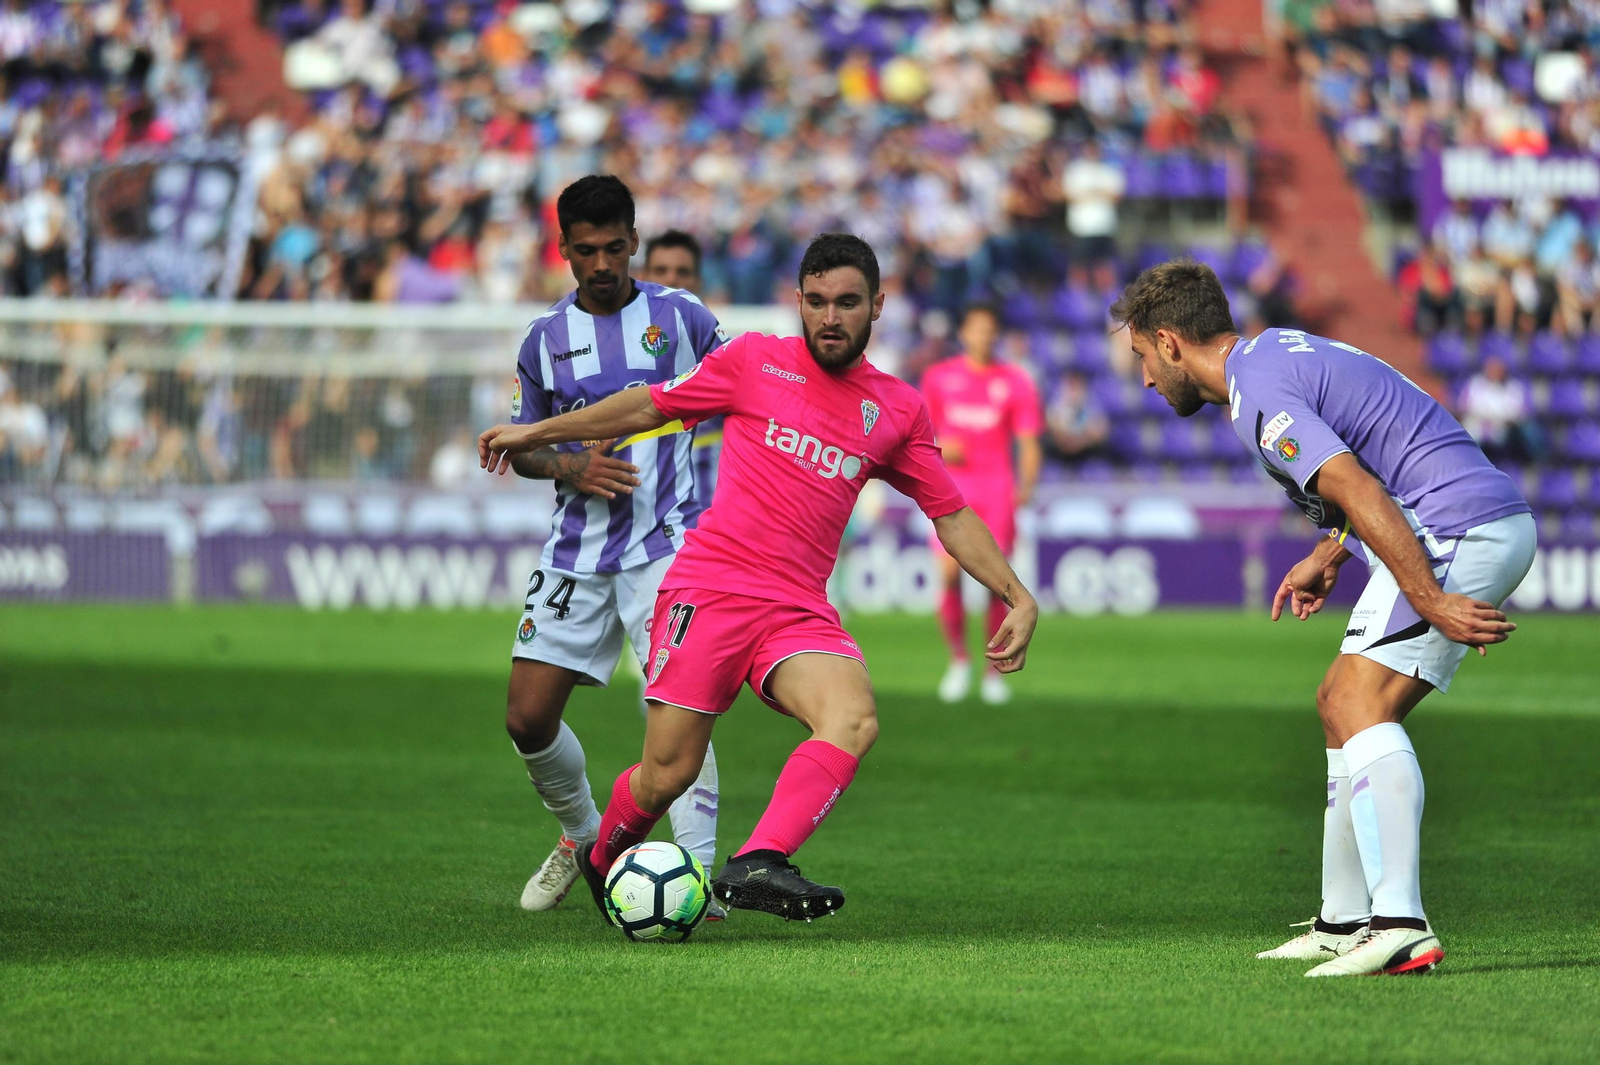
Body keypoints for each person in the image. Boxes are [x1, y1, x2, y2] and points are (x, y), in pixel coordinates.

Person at [479, 234, 1038, 921]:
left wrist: (1015, 592)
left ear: (878, 306)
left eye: (848, 303)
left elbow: (948, 513)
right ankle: (601, 857)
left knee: (852, 715)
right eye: (818, 301)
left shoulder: (897, 409)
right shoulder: (751, 362)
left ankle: (759, 858)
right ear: (797, 301)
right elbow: (648, 404)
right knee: (667, 773)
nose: (831, 317)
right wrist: (535, 434)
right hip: (708, 591)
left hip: (795, 610)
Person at [1111, 260, 1534, 977]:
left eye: (1144, 359)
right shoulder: (1272, 356)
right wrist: (1331, 550)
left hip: (1454, 526)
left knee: (1357, 700)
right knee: (1336, 703)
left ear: (1169, 341)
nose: (1147, 379)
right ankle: (1344, 920)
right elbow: (1368, 451)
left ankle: (1400, 922)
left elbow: (1358, 481)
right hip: (1454, 517)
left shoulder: (1256, 395)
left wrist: (1429, 598)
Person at [499, 175, 725, 918]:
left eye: (614, 248)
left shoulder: (683, 318)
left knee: (678, 703)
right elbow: (524, 447)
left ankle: (694, 875)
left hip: (668, 546)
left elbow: (740, 392)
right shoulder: (544, 340)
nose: (600, 264)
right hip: (574, 551)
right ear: (563, 250)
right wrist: (572, 464)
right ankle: (585, 836)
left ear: (635, 242)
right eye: (584, 251)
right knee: (527, 718)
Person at [920, 304, 1042, 705]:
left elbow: (1027, 440)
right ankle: (958, 660)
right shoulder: (939, 378)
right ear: (965, 333)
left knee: (996, 584)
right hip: (951, 490)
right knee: (950, 575)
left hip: (996, 490)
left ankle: (994, 670)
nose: (984, 337)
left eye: (991, 330)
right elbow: (919, 435)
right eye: (977, 329)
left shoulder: (1015, 381)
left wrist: (1026, 485)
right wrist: (941, 446)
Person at [643, 230, 722, 509]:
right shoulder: (613, 348)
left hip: (704, 507)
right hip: (634, 509)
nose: (671, 280)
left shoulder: (721, 352)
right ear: (642, 277)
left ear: (698, 281)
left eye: (682, 272)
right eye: (661, 270)